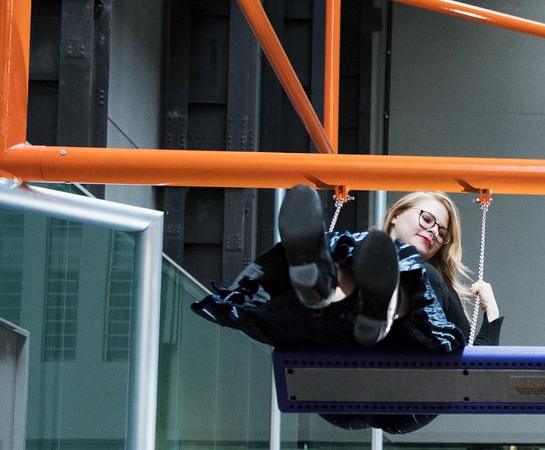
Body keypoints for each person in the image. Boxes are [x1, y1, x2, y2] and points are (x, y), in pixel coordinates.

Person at [192, 186, 503, 434]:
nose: (435, 232)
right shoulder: (352, 248)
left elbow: (473, 371)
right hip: (335, 381)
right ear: (396, 214)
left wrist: (491, 312)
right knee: (346, 248)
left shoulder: (436, 283)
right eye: (427, 219)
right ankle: (322, 287)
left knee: (410, 270)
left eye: (443, 233)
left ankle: (374, 304)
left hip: (404, 399)